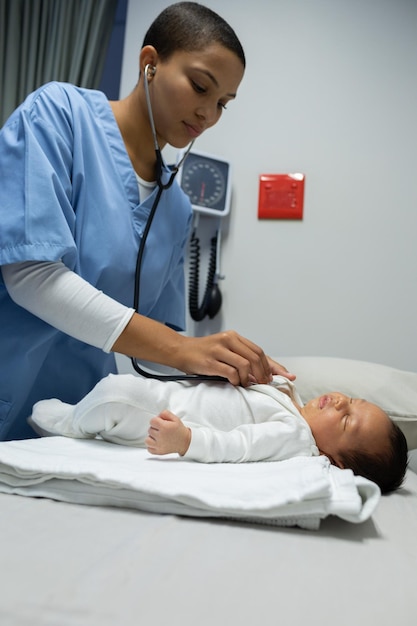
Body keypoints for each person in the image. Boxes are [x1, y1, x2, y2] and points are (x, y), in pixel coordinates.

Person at [0, 2, 292, 442]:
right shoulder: (59, 115)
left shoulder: (176, 209)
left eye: (222, 104)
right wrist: (183, 349)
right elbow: (31, 274)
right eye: (199, 87)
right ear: (150, 63)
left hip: (73, 426)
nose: (208, 115)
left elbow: (159, 351)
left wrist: (224, 370)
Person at [29, 373, 408, 494]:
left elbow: (239, 445)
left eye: (346, 422)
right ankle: (79, 418)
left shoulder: (295, 437)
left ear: (335, 460)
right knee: (119, 392)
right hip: (175, 394)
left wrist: (187, 441)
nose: (342, 403)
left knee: (117, 394)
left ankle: (68, 424)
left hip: (168, 417)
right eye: (353, 400)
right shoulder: (294, 401)